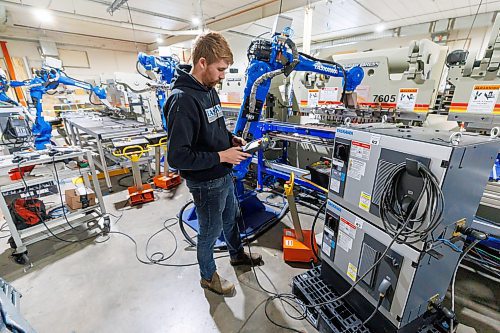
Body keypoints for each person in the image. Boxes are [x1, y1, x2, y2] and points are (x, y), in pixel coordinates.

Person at [165, 32, 262, 296]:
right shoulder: (183, 99)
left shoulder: (208, 91)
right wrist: (222, 156)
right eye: (219, 69)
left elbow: (212, 129)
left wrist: (230, 139)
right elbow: (177, 156)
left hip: (223, 174)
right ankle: (208, 276)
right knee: (210, 231)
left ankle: (236, 255)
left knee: (231, 218)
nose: (222, 76)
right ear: (202, 63)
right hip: (206, 182)